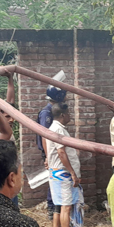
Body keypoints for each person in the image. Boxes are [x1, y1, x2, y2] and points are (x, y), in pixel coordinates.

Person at [47, 103, 83, 227]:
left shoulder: (52, 128)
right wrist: (72, 173)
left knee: (59, 206)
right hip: (62, 174)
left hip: (56, 173)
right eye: (68, 114)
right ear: (62, 115)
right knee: (66, 207)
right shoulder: (57, 130)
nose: (70, 116)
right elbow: (61, 153)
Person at [37, 84, 67, 219]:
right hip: (50, 151)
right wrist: (47, 156)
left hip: (54, 149)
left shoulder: (53, 110)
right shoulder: (47, 113)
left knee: (56, 176)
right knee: (54, 177)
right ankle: (52, 208)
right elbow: (45, 134)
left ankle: (57, 207)